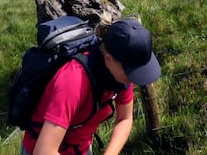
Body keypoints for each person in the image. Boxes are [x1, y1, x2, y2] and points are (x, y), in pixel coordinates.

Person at [21, 18, 162, 155]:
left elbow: (124, 119)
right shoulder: (73, 81)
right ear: (109, 59)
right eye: (131, 71)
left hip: (80, 148)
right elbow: (44, 151)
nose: (134, 79)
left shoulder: (121, 75)